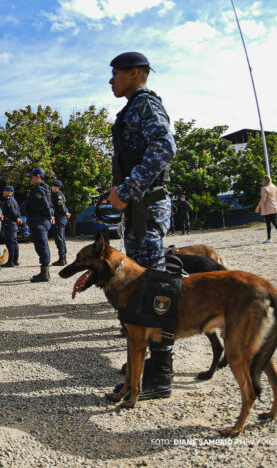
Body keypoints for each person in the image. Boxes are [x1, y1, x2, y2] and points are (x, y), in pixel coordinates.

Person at [106, 51, 177, 401]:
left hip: (145, 206)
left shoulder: (145, 104)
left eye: (116, 73)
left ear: (135, 73)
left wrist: (129, 189)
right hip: (139, 208)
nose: (111, 80)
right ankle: (144, 361)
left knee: (154, 289)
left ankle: (161, 373)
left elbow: (165, 146)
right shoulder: (134, 106)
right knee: (142, 288)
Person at [22, 168, 54, 282]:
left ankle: (44, 274)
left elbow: (45, 204)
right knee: (41, 245)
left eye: (32, 176)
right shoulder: (45, 188)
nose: (31, 178)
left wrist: (49, 216)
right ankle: (44, 272)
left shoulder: (39, 189)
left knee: (41, 246)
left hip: (39, 221)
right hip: (40, 220)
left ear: (38, 176)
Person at [255, 175, 277, 243]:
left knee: (268, 223)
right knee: (274, 222)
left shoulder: (264, 188)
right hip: (274, 206)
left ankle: (269, 238)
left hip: (267, 208)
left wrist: (258, 206)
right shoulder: (274, 187)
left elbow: (263, 199)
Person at [1, 186, 22, 267]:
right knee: (14, 242)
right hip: (13, 224)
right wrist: (18, 218)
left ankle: (11, 262)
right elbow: (18, 211)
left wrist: (17, 218)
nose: (3, 192)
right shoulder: (14, 200)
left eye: (5, 191)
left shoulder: (8, 200)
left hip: (10, 224)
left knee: (10, 243)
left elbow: (12, 211)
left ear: (10, 192)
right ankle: (15, 260)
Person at [51, 180, 70, 266]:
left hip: (59, 219)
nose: (52, 187)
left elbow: (61, 207)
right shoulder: (58, 195)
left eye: (53, 186)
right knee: (61, 238)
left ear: (57, 187)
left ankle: (62, 259)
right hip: (61, 219)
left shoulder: (58, 196)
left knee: (59, 239)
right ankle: (63, 258)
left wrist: (66, 213)